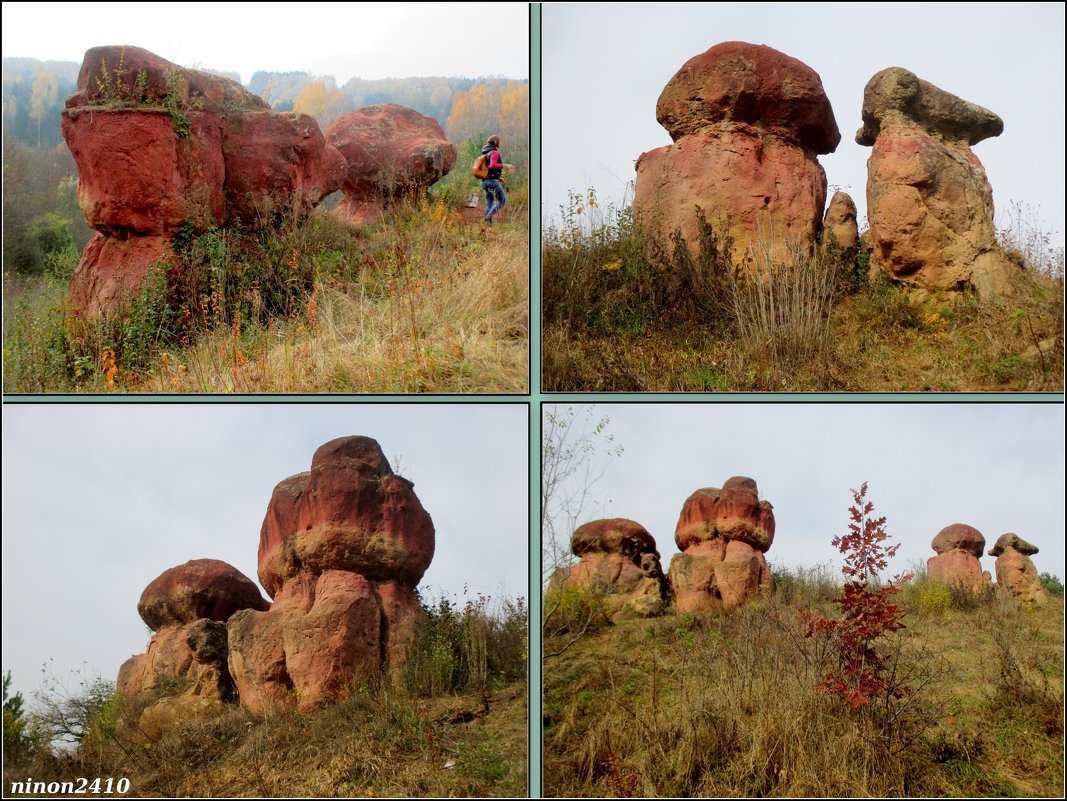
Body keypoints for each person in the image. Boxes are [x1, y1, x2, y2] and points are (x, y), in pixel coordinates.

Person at [480, 135, 513, 225]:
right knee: (502, 201)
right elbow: (493, 165)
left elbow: (488, 168)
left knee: (489, 203)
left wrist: (498, 178)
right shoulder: (494, 152)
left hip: (485, 182)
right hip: (492, 183)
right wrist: (506, 165)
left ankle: (487, 226)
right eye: (499, 141)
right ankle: (487, 218)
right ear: (495, 142)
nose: (500, 143)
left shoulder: (486, 152)